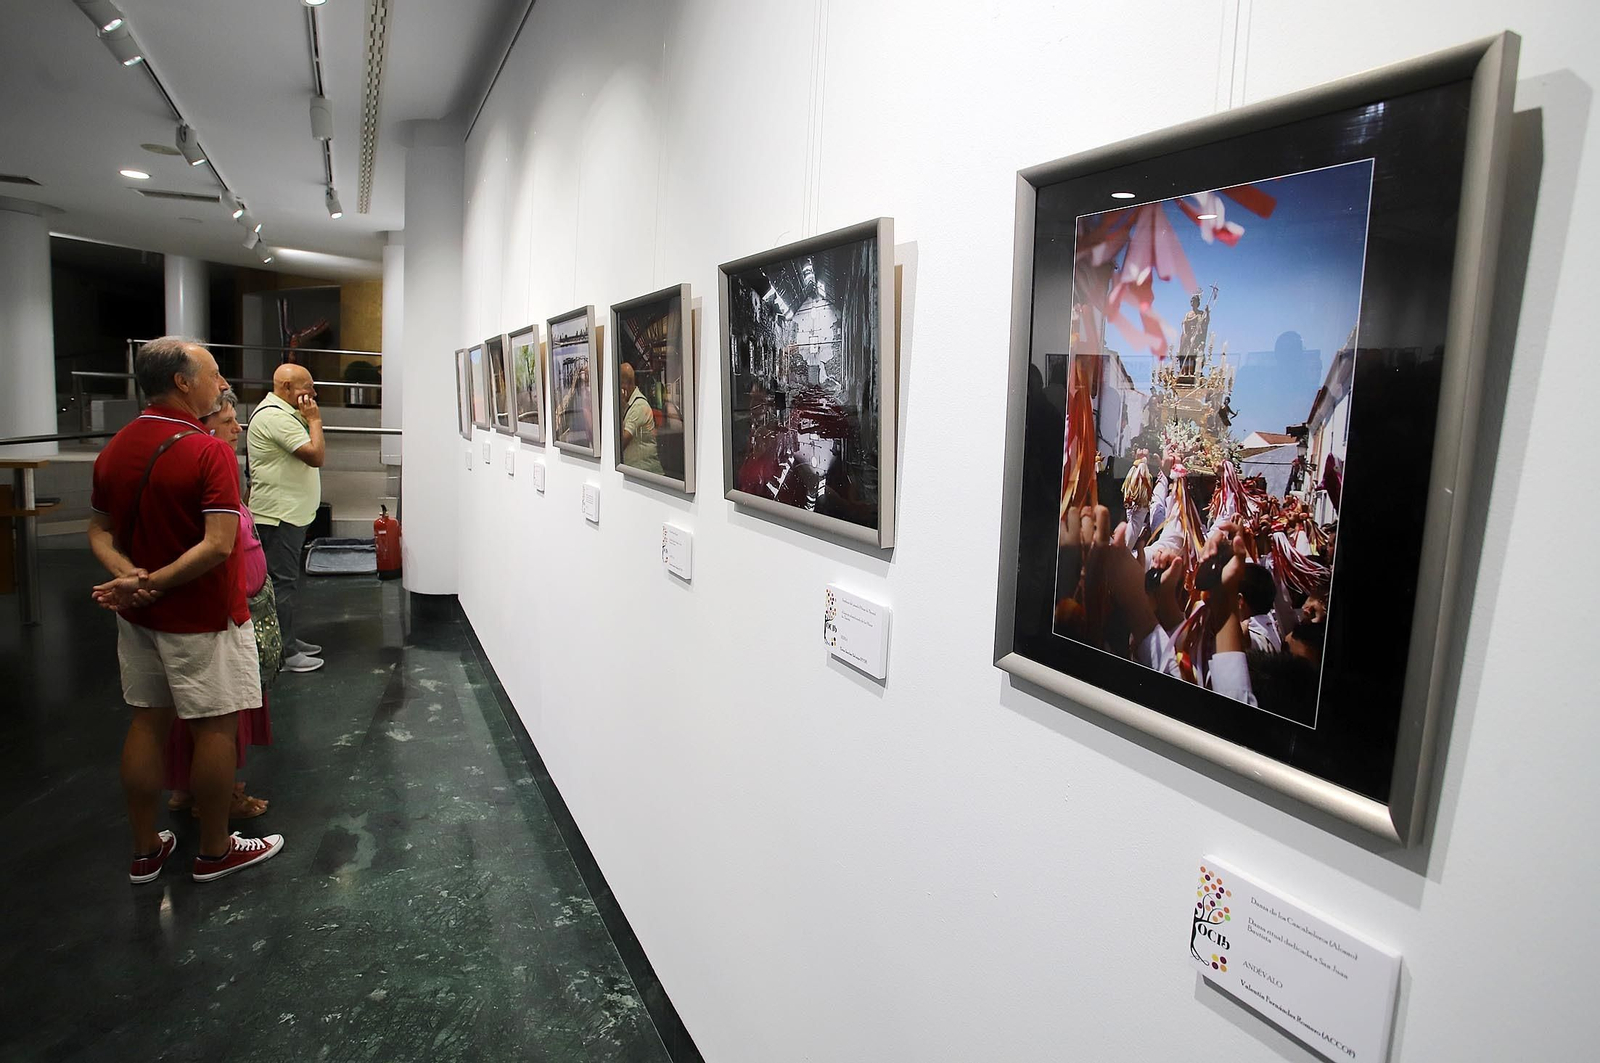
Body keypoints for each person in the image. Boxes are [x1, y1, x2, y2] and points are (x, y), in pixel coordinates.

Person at [87, 336, 285, 883]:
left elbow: (98, 530)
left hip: (139, 617)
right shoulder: (207, 450)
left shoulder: (117, 447)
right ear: (181, 381)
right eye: (214, 373)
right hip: (203, 613)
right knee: (215, 727)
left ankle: (145, 850)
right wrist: (151, 582)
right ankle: (216, 851)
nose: (221, 384)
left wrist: (130, 580)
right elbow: (218, 545)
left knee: (147, 722)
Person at [166, 390, 272, 819]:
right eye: (227, 421)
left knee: (211, 711)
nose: (237, 427)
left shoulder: (220, 468)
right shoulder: (207, 466)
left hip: (232, 607)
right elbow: (217, 544)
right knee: (217, 714)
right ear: (205, 426)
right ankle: (216, 803)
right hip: (219, 613)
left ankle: (197, 788)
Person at [247, 363, 325, 673]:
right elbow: (315, 455)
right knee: (282, 584)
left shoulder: (287, 413)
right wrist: (314, 420)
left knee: (286, 582)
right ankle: (285, 653)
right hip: (279, 517)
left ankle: (287, 639)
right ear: (287, 388)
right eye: (307, 387)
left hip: (289, 514)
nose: (313, 393)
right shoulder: (275, 417)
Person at [618, 362, 663, 474]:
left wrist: (619, 407)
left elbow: (621, 442)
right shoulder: (630, 404)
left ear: (624, 387)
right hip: (636, 470)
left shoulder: (638, 406)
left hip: (646, 472)